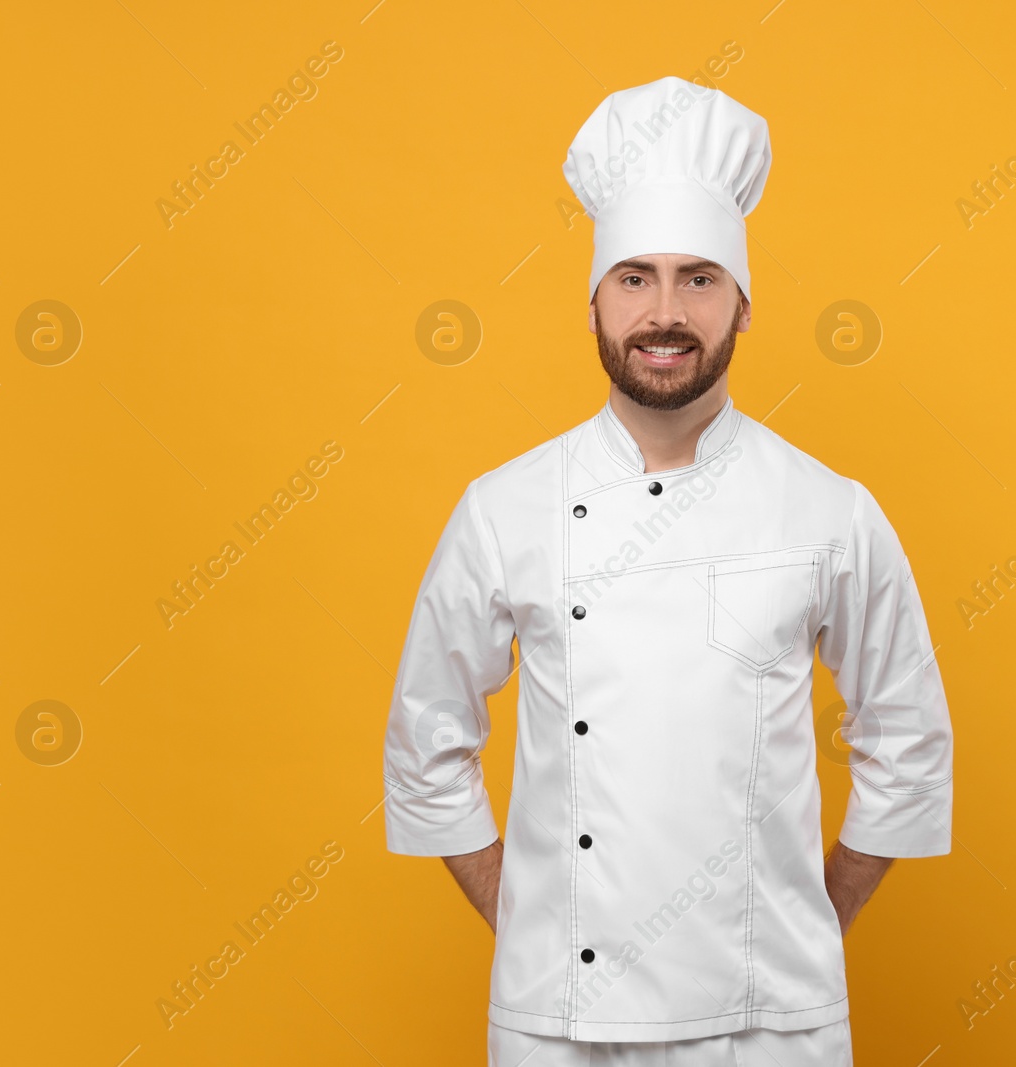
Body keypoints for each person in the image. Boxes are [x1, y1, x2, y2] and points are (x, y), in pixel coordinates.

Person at [382, 75, 954, 1067]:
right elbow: (424, 743)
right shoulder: (503, 507)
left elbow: (907, 741)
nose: (665, 312)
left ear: (741, 305)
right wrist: (528, 923)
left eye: (698, 279)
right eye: (635, 278)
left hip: (771, 1023)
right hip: (558, 1022)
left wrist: (804, 923)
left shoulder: (828, 508)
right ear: (595, 303)